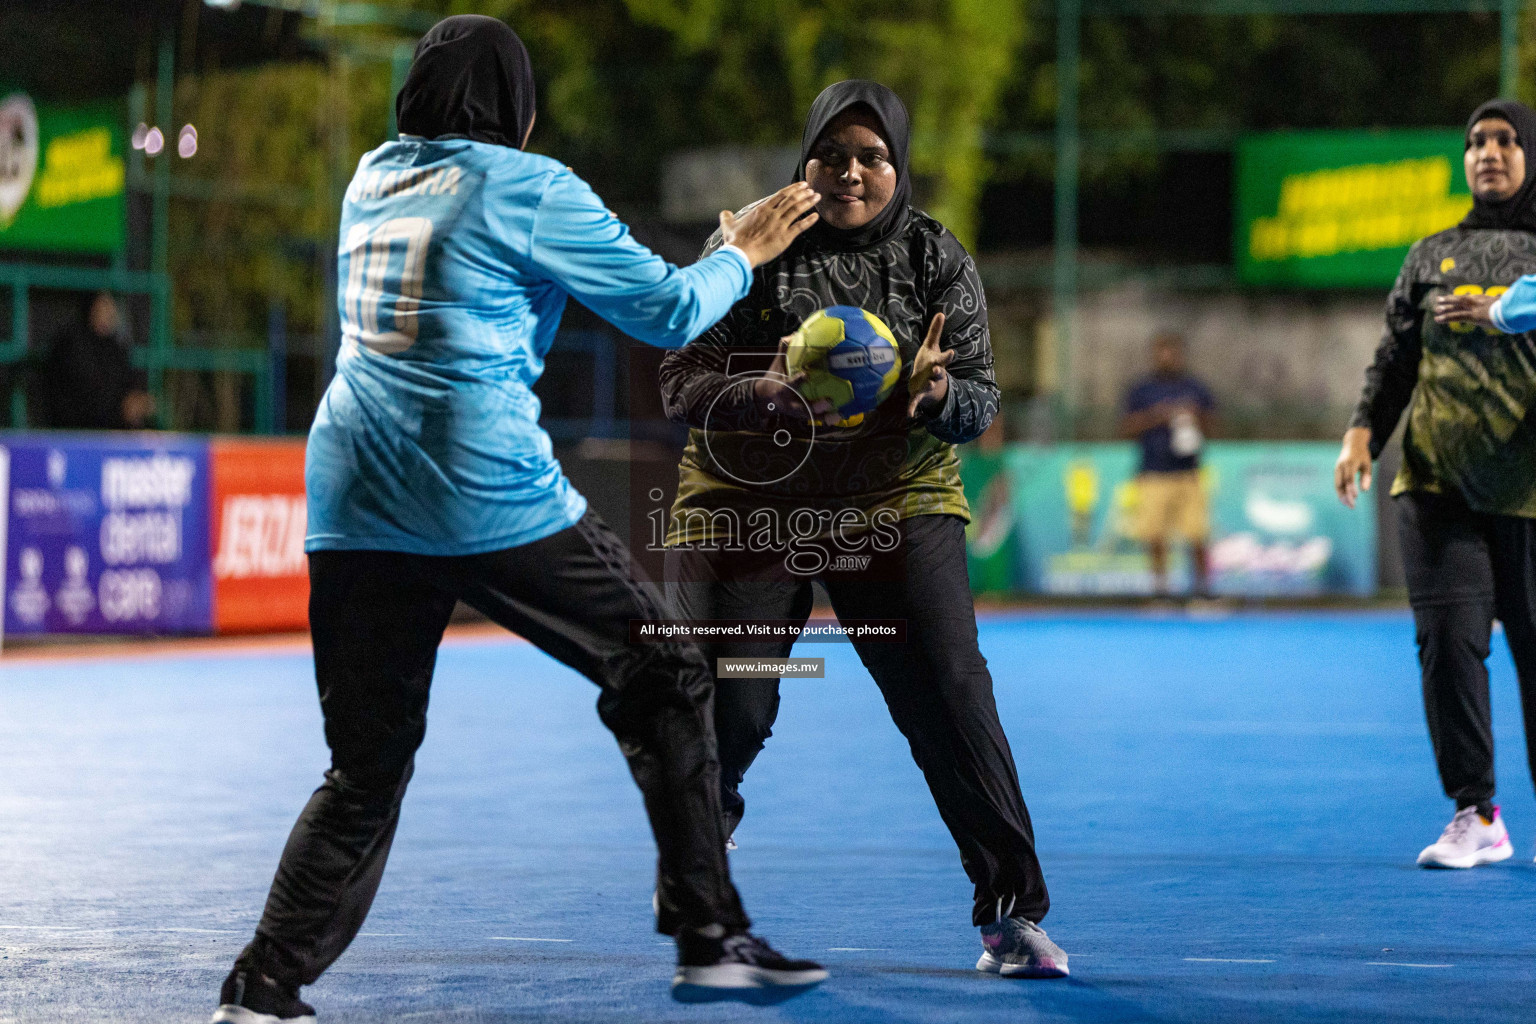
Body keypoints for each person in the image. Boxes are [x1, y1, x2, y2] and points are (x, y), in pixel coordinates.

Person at [211, 17, 829, 1024]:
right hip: (475, 481)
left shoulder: (371, 175)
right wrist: (741, 250)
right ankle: (710, 936)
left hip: (353, 492)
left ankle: (261, 988)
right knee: (666, 670)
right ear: (515, 105)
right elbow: (672, 312)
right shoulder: (529, 184)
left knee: (364, 765)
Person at [657, 80, 1068, 980]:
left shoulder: (934, 259)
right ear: (804, 159)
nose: (850, 172)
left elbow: (982, 398)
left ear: (898, 166)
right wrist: (759, 392)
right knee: (735, 696)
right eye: (831, 154)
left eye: (871, 156)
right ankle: (698, 848)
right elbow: (678, 378)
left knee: (951, 693)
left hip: (895, 497)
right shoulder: (753, 240)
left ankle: (1011, 915)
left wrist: (937, 395)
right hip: (750, 501)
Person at [1336, 98, 1536, 870]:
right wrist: (1362, 431)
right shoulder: (1429, 254)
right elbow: (1394, 357)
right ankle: (1476, 812)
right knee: (1448, 645)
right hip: (1434, 480)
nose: (1490, 152)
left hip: (1528, 488)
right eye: (1477, 141)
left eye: (1509, 140)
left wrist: (1504, 311)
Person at [1118, 332, 1215, 599]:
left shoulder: (1195, 387)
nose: (1168, 357)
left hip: (1188, 472)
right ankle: (1160, 588)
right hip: (1153, 472)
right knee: (1154, 534)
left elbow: (1214, 425)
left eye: (1172, 352)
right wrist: (1156, 416)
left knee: (1197, 533)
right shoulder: (1142, 390)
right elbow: (1126, 428)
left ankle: (1202, 589)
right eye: (1162, 352)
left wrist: (1193, 415)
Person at [38, 291, 155, 429]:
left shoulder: (115, 347)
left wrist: (138, 402)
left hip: (115, 428)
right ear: (91, 307)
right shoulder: (71, 345)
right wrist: (119, 410)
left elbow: (129, 384)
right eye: (104, 304)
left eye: (112, 305)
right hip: (78, 431)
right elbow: (82, 398)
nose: (110, 311)